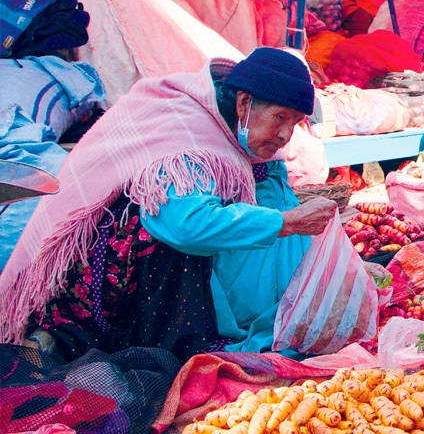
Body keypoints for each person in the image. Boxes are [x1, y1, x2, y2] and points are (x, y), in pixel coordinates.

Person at [0, 48, 337, 360]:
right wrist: (285, 223)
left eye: (293, 123)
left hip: (123, 258)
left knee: (259, 182)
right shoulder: (186, 128)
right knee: (171, 228)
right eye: (280, 118)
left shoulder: (232, 133)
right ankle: (150, 347)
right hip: (85, 271)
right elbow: (184, 224)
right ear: (244, 103)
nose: (284, 135)